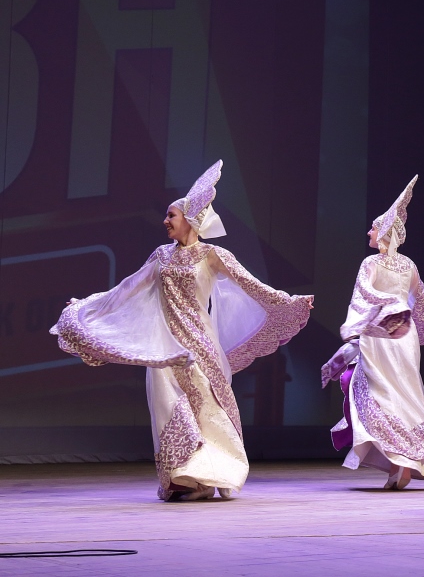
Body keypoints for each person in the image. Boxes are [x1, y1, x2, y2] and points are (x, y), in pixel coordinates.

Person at [51, 160, 313, 501]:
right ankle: (185, 478)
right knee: (168, 406)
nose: (165, 221)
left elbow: (251, 285)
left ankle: (212, 474)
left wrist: (287, 302)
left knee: (207, 410)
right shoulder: (161, 255)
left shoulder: (213, 254)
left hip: (201, 346)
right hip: (164, 348)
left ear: (190, 218)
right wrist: (88, 306)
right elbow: (127, 288)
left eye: (171, 215)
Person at [320, 175, 424, 490]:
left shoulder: (371, 262)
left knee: (379, 392)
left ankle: (399, 462)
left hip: (383, 333)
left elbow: (365, 292)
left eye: (373, 228)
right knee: (403, 393)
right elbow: (422, 301)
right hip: (404, 334)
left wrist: (379, 309)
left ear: (385, 232)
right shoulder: (410, 265)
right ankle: (401, 464)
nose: (369, 232)